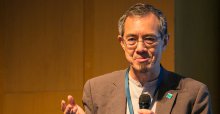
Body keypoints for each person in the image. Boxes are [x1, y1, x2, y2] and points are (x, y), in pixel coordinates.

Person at [61, 3, 212, 114]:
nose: (140, 48)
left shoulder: (194, 94)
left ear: (165, 41)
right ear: (122, 43)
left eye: (149, 39)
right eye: (132, 39)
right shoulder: (97, 91)